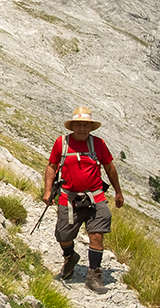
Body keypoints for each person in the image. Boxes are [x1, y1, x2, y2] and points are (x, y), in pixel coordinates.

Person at [42, 107, 124, 294]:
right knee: (63, 235)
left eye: (85, 125)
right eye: (78, 124)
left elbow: (109, 167)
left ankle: (94, 275)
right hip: (68, 198)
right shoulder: (61, 143)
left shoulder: (98, 144)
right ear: (73, 126)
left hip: (96, 197)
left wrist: (118, 192)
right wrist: (48, 191)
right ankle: (70, 256)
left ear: (90, 127)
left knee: (96, 234)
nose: (82, 128)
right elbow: (51, 167)